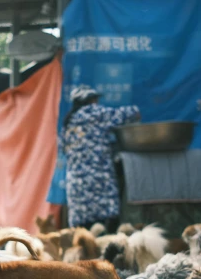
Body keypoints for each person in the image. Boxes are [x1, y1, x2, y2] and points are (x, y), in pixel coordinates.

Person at [59, 85, 140, 232]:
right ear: (90, 100)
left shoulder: (68, 122)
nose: (97, 102)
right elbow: (130, 113)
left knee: (82, 235)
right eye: (95, 99)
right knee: (104, 230)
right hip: (98, 183)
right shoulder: (94, 112)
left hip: (76, 186)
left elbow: (62, 149)